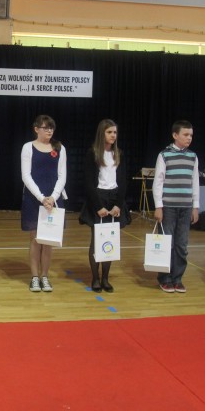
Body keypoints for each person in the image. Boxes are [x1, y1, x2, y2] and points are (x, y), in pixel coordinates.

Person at [152, 120, 200, 293]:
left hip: (186, 207)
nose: (189, 138)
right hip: (169, 207)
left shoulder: (193, 156)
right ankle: (164, 278)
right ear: (175, 135)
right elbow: (158, 181)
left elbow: (195, 182)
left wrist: (195, 206)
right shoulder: (164, 155)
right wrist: (159, 206)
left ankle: (177, 278)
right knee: (167, 243)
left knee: (181, 245)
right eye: (185, 135)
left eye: (191, 135)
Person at [20, 115, 67, 293]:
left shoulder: (60, 148)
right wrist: (42, 198)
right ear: (36, 129)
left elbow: (62, 176)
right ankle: (34, 277)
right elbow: (26, 176)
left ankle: (45, 276)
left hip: (53, 199)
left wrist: (53, 197)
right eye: (45, 128)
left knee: (48, 240)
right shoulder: (27, 147)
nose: (49, 131)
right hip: (34, 199)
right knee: (35, 239)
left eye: (51, 128)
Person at [79, 119, 126, 293]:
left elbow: (123, 181)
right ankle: (95, 278)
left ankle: (105, 278)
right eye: (109, 132)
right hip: (98, 199)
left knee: (110, 240)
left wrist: (118, 205)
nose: (113, 135)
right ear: (102, 133)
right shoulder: (93, 153)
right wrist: (98, 206)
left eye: (115, 132)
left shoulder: (119, 153)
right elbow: (88, 182)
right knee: (96, 240)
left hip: (114, 199)